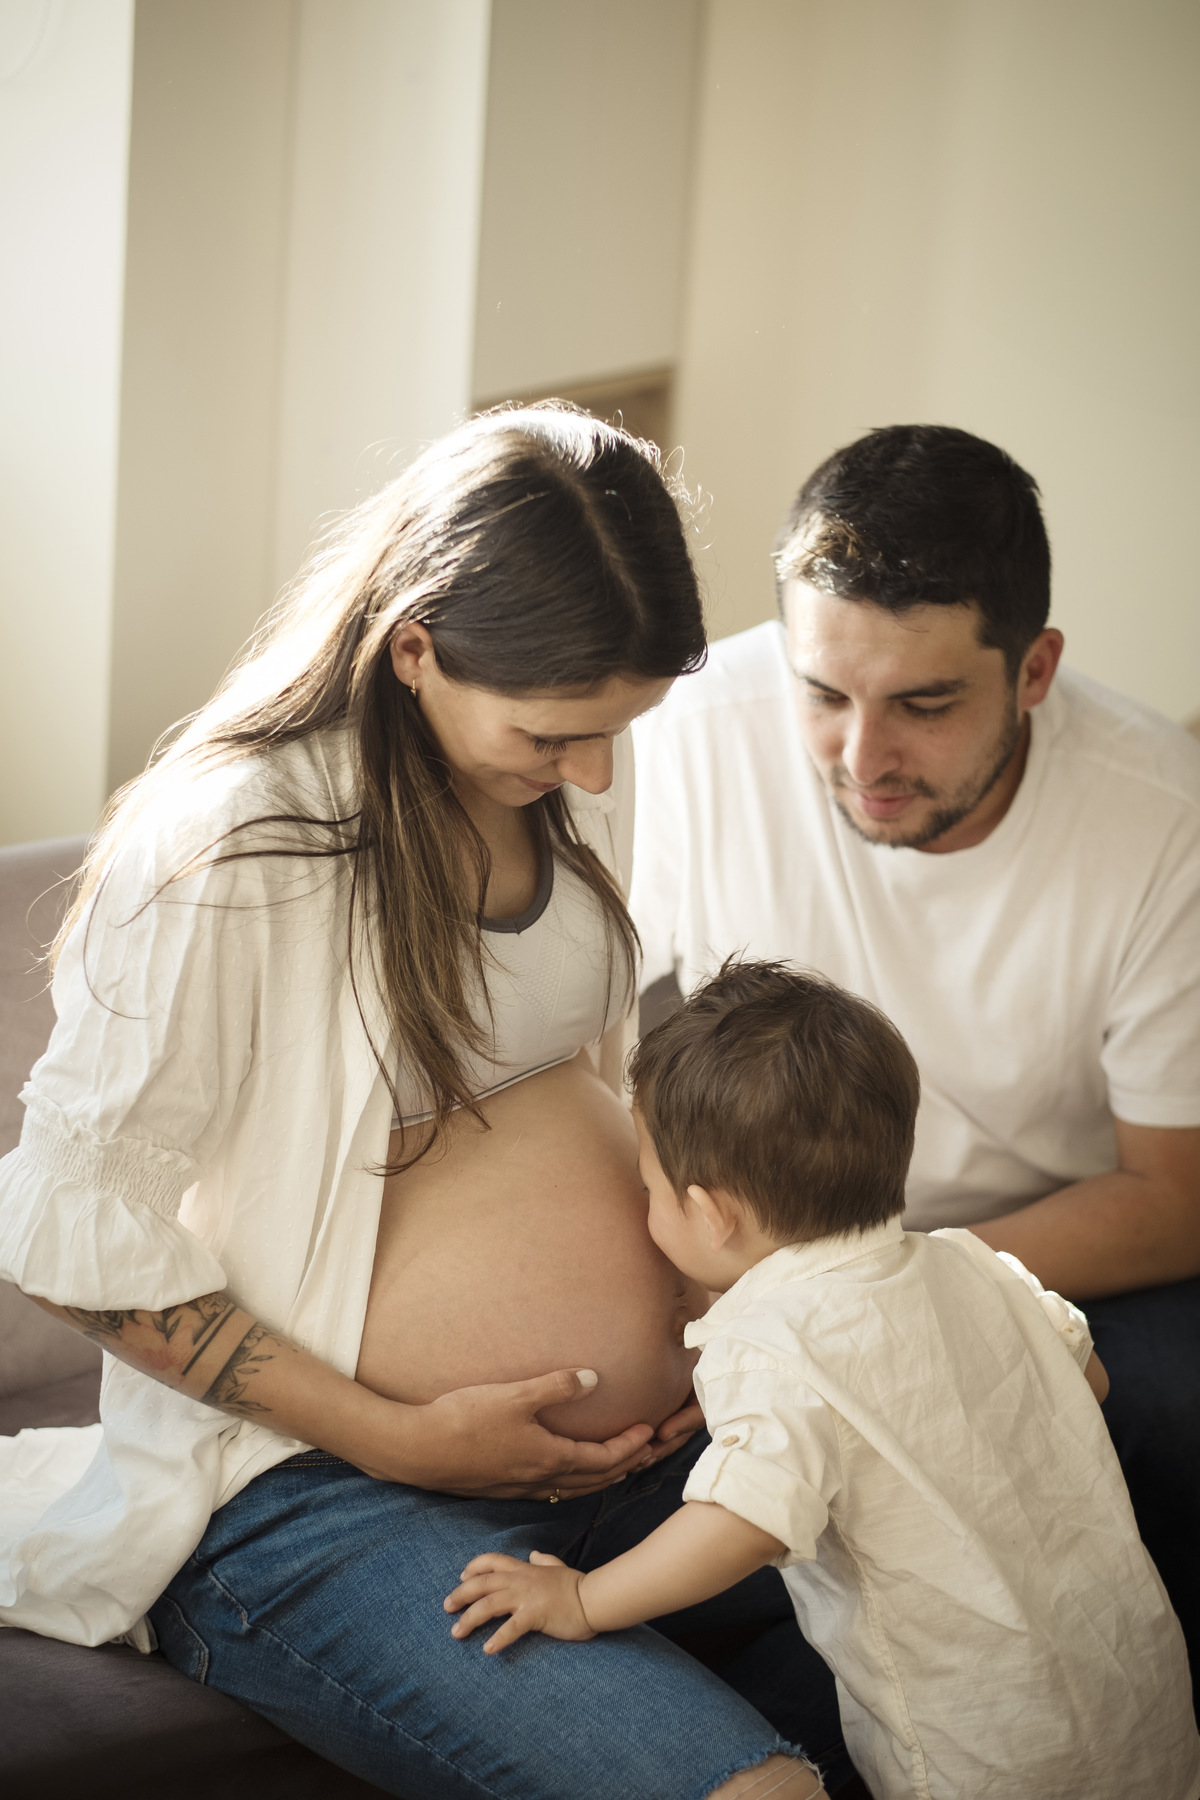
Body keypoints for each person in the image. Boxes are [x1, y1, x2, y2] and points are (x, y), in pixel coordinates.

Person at [0, 408, 848, 1799]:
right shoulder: (234, 843)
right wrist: (398, 1432)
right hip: (312, 1495)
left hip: (624, 1474)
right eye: (558, 733)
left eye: (618, 733)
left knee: (966, 1660)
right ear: (417, 650)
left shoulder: (545, 788)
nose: (594, 775)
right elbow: (69, 1235)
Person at [630, 424, 1200, 1691]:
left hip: (1045, 1255)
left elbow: (1175, 1197)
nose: (863, 759)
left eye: (926, 705)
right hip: (757, 1272)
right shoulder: (684, 732)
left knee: (1158, 1443)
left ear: (1036, 668)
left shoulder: (1163, 816)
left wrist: (886, 1294)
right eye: (824, 694)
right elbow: (570, 1057)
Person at [445, 962, 1200, 1800]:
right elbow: (1086, 1382)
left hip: (978, 1752)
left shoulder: (776, 1349)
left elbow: (737, 1528)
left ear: (712, 1213)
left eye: (651, 1190)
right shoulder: (975, 1264)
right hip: (1135, 1694)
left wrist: (583, 1600)